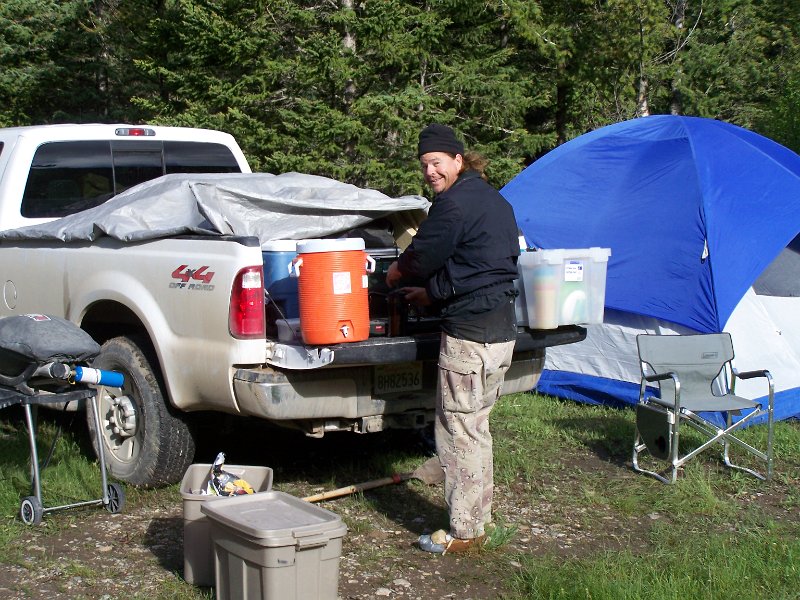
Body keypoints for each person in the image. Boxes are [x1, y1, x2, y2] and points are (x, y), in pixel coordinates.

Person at [385, 123, 520, 554]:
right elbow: (482, 269)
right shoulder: (494, 201)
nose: (429, 171)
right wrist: (432, 294)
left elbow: (422, 256)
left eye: (436, 163)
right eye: (424, 164)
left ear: (458, 161)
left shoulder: (453, 205)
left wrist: (396, 274)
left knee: (457, 431)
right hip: (501, 332)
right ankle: (481, 521)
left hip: (470, 337)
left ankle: (463, 534)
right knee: (476, 427)